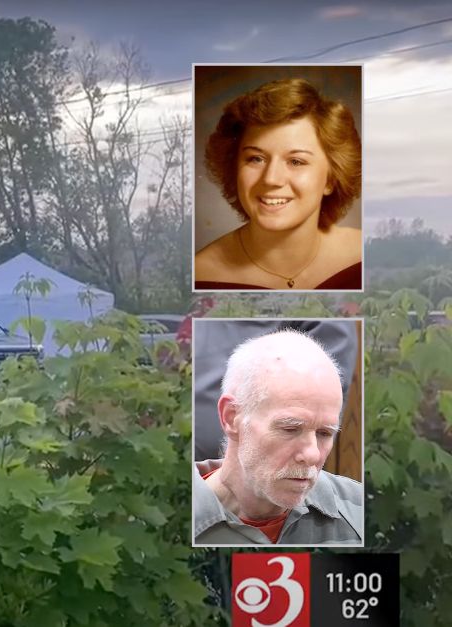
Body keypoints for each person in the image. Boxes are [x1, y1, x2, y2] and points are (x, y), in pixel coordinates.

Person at [193, 329, 363, 545]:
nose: (312, 454)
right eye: (290, 429)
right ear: (232, 417)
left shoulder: (360, 512)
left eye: (324, 433)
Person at [195, 78, 362, 290]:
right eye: (256, 158)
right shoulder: (200, 275)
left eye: (296, 161)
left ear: (331, 179)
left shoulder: (365, 256)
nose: (271, 179)